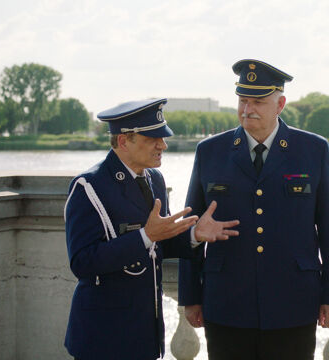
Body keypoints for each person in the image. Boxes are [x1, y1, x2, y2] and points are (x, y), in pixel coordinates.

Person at [178, 59, 329, 360]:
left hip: (293, 304)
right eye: (242, 100)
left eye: (257, 101)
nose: (247, 109)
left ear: (280, 104)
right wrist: (189, 296)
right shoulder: (210, 151)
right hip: (226, 302)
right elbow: (191, 227)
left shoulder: (312, 150)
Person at [64, 98, 240, 360]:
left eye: (163, 137)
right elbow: (82, 262)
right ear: (124, 141)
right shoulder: (89, 186)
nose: (163, 145)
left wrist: (193, 235)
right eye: (153, 138)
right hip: (103, 337)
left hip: (144, 334)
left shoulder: (154, 179)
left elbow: (158, 245)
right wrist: (145, 236)